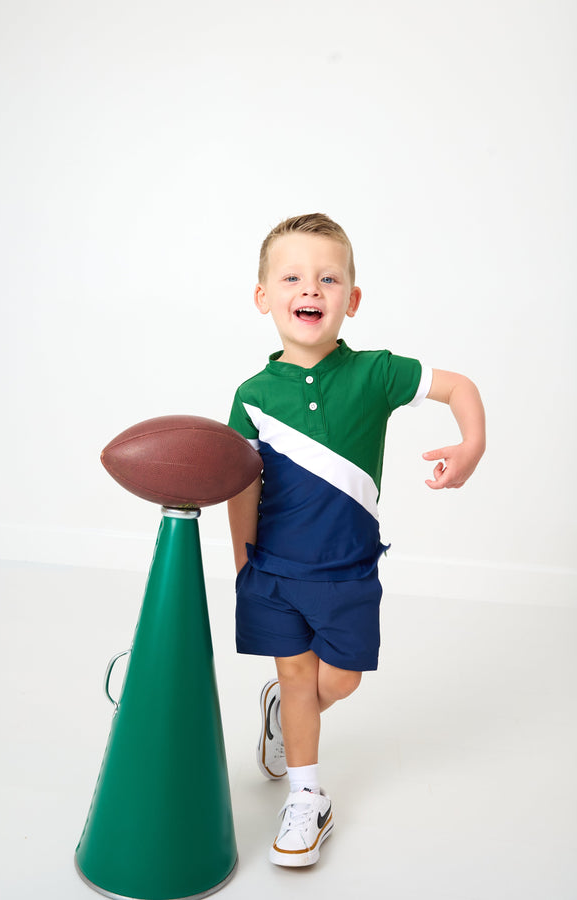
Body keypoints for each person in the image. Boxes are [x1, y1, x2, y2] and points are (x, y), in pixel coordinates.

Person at [227, 213, 485, 868]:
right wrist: (242, 562)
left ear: (351, 299)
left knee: (336, 682)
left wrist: (471, 443)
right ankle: (307, 795)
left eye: (327, 278)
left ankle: (285, 711)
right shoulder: (252, 396)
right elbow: (240, 488)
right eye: (291, 276)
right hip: (276, 570)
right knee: (296, 668)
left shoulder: (375, 372)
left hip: (347, 572)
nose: (309, 288)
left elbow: (459, 387)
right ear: (263, 297)